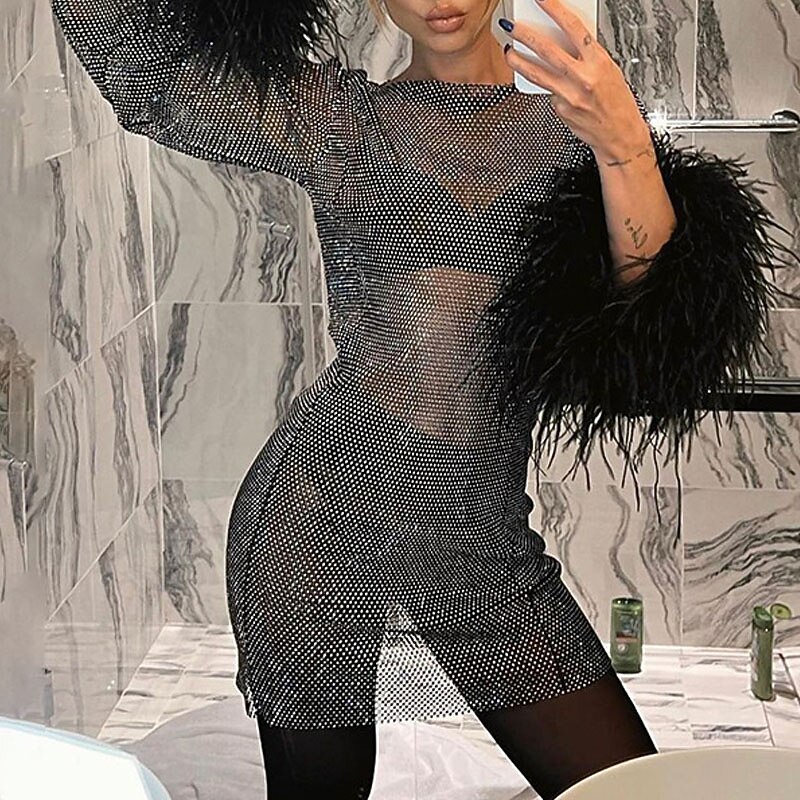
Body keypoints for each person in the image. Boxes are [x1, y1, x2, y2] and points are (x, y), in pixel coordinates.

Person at [51, 0, 796, 797]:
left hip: (480, 539)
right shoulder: (340, 122)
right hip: (318, 527)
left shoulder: (575, 130)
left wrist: (624, 145)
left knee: (631, 789)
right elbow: (149, 80)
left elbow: (650, 336)